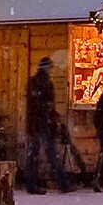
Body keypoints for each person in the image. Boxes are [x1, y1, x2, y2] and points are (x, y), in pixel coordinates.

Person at [23, 56, 69, 193]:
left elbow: (38, 103)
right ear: (47, 68)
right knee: (49, 153)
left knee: (37, 153)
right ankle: (62, 183)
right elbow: (41, 103)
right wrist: (50, 114)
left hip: (38, 122)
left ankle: (33, 185)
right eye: (50, 67)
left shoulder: (36, 81)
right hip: (41, 122)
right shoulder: (43, 83)